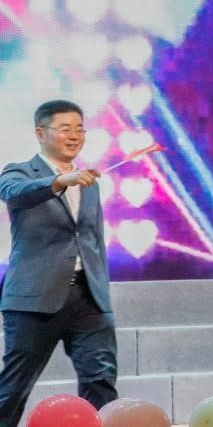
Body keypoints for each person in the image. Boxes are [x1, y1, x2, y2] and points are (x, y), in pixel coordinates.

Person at [0, 101, 116, 422]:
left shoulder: (89, 181)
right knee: (14, 387)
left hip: (89, 297)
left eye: (80, 129)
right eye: (65, 129)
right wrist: (59, 182)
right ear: (41, 133)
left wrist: (102, 290)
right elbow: (12, 192)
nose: (74, 136)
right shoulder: (20, 171)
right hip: (35, 298)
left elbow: (93, 239)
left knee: (101, 381)